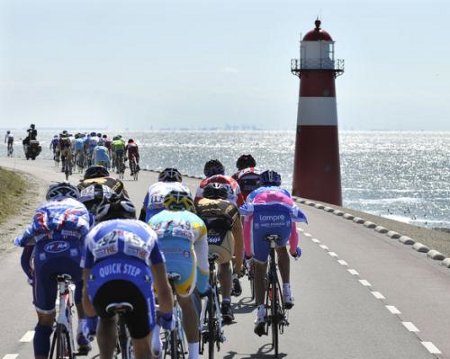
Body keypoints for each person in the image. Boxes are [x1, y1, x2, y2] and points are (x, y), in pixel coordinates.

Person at [81, 194, 174, 359]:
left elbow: (86, 288)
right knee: (143, 347)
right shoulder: (146, 230)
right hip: (136, 284)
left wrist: (91, 321)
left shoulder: (93, 233)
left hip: (103, 283)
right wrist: (167, 317)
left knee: (107, 320)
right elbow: (163, 286)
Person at [14, 182, 93, 358]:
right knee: (83, 279)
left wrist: (32, 277)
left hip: (45, 262)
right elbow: (92, 243)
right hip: (74, 260)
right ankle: (82, 328)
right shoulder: (82, 209)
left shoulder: (42, 211)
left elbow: (25, 258)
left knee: (44, 323)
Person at [239, 170, 307, 336]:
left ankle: (261, 314)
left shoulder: (254, 194)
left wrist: (248, 254)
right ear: (279, 184)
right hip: (281, 227)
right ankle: (287, 291)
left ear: (260, 184)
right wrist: (293, 250)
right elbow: (293, 227)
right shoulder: (285, 194)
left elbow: (246, 227)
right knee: (281, 248)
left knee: (260, 267)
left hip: (260, 227)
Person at [148, 190, 209, 359]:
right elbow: (203, 264)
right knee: (186, 303)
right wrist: (203, 288)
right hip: (183, 264)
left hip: (159, 266)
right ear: (189, 207)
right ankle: (194, 355)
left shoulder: (153, 219)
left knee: (157, 299)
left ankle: (155, 340)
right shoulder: (197, 221)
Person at [195, 182, 244, 323]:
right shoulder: (231, 207)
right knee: (225, 264)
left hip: (202, 246)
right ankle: (227, 304)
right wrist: (238, 268)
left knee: (198, 264)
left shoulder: (196, 206)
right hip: (223, 247)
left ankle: (196, 301)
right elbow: (239, 240)